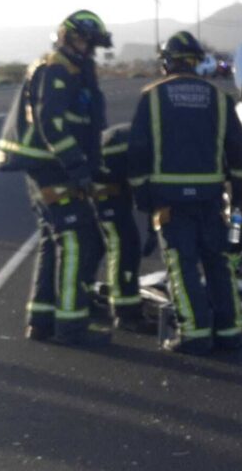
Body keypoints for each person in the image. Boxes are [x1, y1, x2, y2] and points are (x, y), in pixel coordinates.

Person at [127, 31, 242, 355]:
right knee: (218, 263)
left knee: (181, 266)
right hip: (210, 200)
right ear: (198, 63)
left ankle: (194, 334)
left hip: (169, 201)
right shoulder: (219, 97)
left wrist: (142, 194)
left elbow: (138, 151)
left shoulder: (152, 97)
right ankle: (230, 332)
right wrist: (240, 191)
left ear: (167, 63)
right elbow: (237, 148)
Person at [0, 10, 112, 345]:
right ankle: (71, 326)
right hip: (50, 167)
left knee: (52, 238)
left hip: (54, 165)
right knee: (77, 239)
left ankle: (42, 320)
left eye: (91, 43)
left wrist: (90, 164)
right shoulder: (56, 68)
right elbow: (53, 124)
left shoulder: (73, 68)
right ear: (65, 37)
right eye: (82, 40)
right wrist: (78, 168)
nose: (87, 48)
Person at [94, 123, 145, 330]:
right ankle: (125, 313)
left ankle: (121, 305)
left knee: (122, 241)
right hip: (104, 178)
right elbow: (147, 183)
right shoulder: (163, 143)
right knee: (123, 243)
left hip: (113, 172)